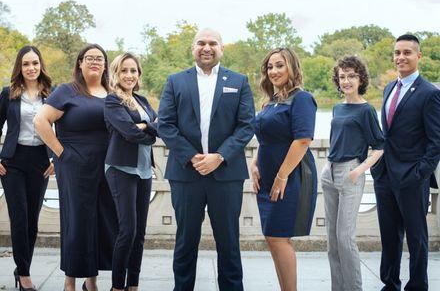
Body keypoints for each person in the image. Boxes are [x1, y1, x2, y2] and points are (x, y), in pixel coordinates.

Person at [158, 28, 255, 291]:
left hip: (226, 175)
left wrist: (220, 156)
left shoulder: (239, 81)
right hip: (186, 175)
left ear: (222, 48)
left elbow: (246, 126)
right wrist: (192, 157)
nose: (207, 47)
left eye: (213, 43)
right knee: (186, 242)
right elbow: (165, 125)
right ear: (193, 48)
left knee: (229, 243)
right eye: (201, 43)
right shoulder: (176, 81)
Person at [34, 44, 117, 291]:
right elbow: (40, 120)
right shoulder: (67, 91)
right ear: (80, 63)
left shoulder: (112, 92)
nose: (94, 62)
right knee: (77, 221)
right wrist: (60, 154)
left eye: (99, 58)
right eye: (89, 58)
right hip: (75, 166)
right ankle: (70, 281)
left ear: (105, 65)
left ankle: (91, 282)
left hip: (108, 166)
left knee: (103, 222)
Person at [371, 34, 440, 291]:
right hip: (385, 175)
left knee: (416, 237)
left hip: (411, 177)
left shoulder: (430, 93)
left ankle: (418, 286)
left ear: (418, 56)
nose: (401, 57)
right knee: (389, 236)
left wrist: (419, 173)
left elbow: (436, 142)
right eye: (397, 52)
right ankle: (390, 283)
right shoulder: (390, 88)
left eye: (407, 52)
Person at [250, 47, 318, 291]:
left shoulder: (301, 99)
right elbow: (266, 138)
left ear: (292, 67)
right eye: (270, 67)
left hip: (290, 178)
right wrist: (255, 163)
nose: (274, 71)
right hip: (267, 178)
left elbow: (302, 141)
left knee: (280, 238)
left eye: (280, 65)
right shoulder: (272, 102)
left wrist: (281, 176)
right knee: (273, 238)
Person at [321, 56, 384, 291]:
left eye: (351, 76)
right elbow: (338, 139)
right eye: (342, 77)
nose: (346, 81)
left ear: (361, 79)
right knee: (332, 242)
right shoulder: (337, 108)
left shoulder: (366, 110)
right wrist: (328, 165)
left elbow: (380, 146)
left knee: (345, 239)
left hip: (350, 172)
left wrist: (358, 170)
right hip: (330, 172)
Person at [0, 46, 54, 291]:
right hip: (13, 161)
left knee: (32, 219)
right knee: (19, 218)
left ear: (41, 65)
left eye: (35, 63)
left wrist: (57, 159)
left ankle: (22, 267)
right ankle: (24, 274)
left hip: (40, 162)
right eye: (25, 64)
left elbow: (63, 129)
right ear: (19, 68)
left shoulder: (51, 94)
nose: (31, 68)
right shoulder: (8, 93)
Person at [104, 53, 157, 291]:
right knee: (127, 231)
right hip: (120, 169)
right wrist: (147, 130)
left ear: (139, 74)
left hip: (144, 171)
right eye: (124, 70)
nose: (129, 75)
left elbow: (161, 125)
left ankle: (133, 285)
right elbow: (128, 132)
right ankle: (117, 286)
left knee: (140, 233)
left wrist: (145, 125)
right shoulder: (112, 101)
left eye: (133, 70)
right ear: (116, 74)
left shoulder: (143, 100)